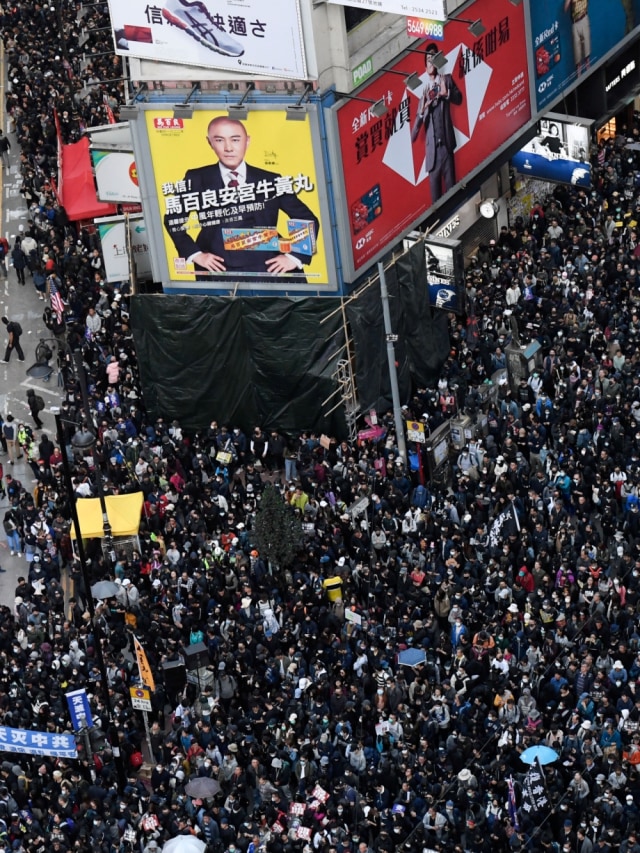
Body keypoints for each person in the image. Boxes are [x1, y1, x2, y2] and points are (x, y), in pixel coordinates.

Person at [163, 116, 320, 281]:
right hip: (217, 268)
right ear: (210, 143)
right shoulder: (196, 178)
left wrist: (294, 257)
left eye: (235, 140)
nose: (228, 148)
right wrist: (196, 255)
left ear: (247, 141)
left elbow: (306, 218)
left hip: (267, 266)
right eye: (219, 140)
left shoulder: (271, 180)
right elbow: (173, 220)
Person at [411, 42, 463, 203]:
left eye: (433, 59)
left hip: (446, 148)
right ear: (425, 67)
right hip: (432, 156)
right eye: (428, 60)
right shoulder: (424, 93)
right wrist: (422, 112)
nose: (431, 62)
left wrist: (446, 94)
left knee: (452, 195)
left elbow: (459, 99)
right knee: (436, 201)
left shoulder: (446, 80)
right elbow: (413, 135)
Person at [565, 0, 590, 75]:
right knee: (577, 57)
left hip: (583, 19)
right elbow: (565, 9)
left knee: (587, 55)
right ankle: (579, 77)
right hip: (575, 23)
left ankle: (589, 74)